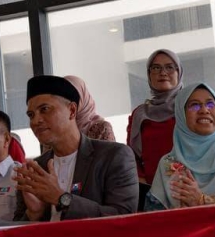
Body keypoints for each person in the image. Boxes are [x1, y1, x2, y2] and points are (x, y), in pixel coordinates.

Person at [14, 75, 138, 221]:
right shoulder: (36, 169)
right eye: (31, 115)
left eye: (45, 109)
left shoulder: (113, 156)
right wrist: (33, 214)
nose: (36, 121)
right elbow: (17, 232)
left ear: (72, 110)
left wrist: (61, 199)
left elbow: (124, 218)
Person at [127, 49, 183, 209]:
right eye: (156, 68)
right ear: (149, 74)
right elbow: (131, 156)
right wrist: (144, 184)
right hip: (150, 192)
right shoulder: (139, 114)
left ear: (179, 72)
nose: (163, 73)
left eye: (169, 67)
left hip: (185, 188)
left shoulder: (188, 108)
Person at [64, 75, 115, 141]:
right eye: (63, 97)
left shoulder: (102, 129)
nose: (69, 101)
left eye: (73, 96)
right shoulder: (56, 127)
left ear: (84, 97)